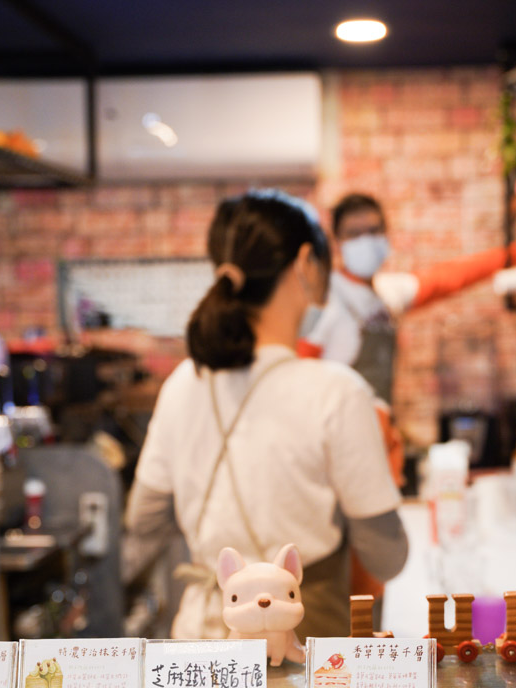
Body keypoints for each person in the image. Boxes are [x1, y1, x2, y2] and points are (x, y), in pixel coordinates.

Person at [123, 190, 408, 641]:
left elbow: (144, 520)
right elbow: (388, 556)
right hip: (303, 642)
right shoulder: (336, 391)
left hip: (204, 644)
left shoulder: (182, 383)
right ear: (304, 264)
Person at [299, 193, 398, 405]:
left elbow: (444, 280)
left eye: (373, 231)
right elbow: (300, 368)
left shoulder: (384, 295)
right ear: (337, 241)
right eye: (354, 234)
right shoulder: (327, 297)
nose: (366, 241)